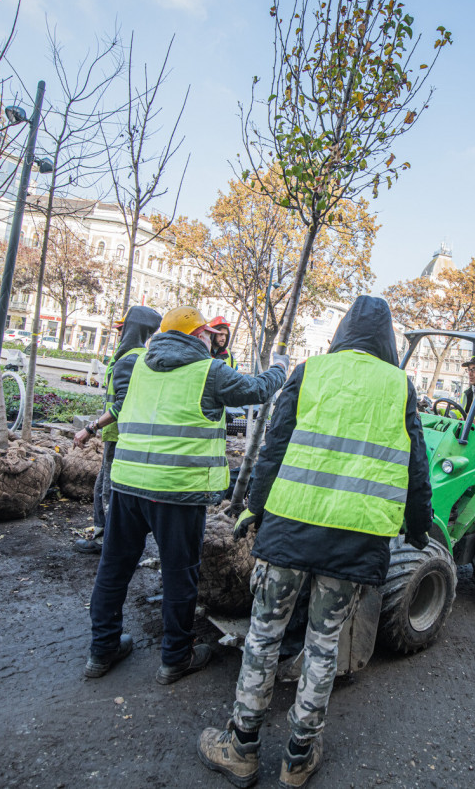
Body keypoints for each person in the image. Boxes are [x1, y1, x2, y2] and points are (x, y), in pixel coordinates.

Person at [197, 295, 433, 789]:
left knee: (264, 635)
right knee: (323, 644)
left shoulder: (311, 371)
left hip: (290, 528)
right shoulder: (400, 386)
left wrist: (252, 509)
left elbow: (273, 448)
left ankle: (240, 747)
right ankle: (299, 756)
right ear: (388, 340)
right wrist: (417, 526)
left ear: (343, 330)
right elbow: (416, 466)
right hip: (354, 541)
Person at [83, 306, 287, 684]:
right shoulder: (209, 371)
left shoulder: (140, 363)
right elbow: (258, 389)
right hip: (177, 492)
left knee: (113, 569)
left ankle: (102, 649)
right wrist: (280, 367)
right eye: (208, 333)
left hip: (128, 486)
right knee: (180, 576)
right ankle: (176, 656)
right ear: (197, 336)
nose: (212, 339)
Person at [72, 306, 162, 554]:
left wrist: (90, 428)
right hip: (120, 435)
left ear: (133, 328)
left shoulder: (130, 359)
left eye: (123, 327)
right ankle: (104, 534)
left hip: (119, 435)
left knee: (108, 490)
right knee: (104, 486)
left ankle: (111, 542)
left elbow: (123, 404)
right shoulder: (136, 356)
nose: (119, 332)